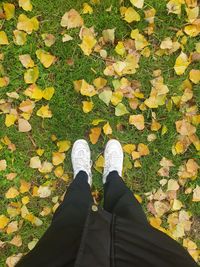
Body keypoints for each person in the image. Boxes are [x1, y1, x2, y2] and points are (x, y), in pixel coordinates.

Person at [16, 139, 198, 267]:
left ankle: (82, 177)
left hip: (65, 257)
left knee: (72, 214)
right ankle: (111, 177)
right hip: (146, 259)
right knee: (128, 213)